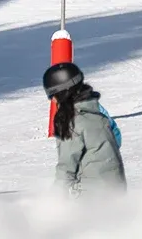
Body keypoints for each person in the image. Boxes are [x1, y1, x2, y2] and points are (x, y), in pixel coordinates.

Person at [45, 63, 124, 193]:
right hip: (116, 188)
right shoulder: (97, 111)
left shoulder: (72, 121)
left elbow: (66, 168)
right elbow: (116, 138)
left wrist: (54, 200)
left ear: (62, 94)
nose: (53, 101)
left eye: (53, 95)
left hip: (90, 195)